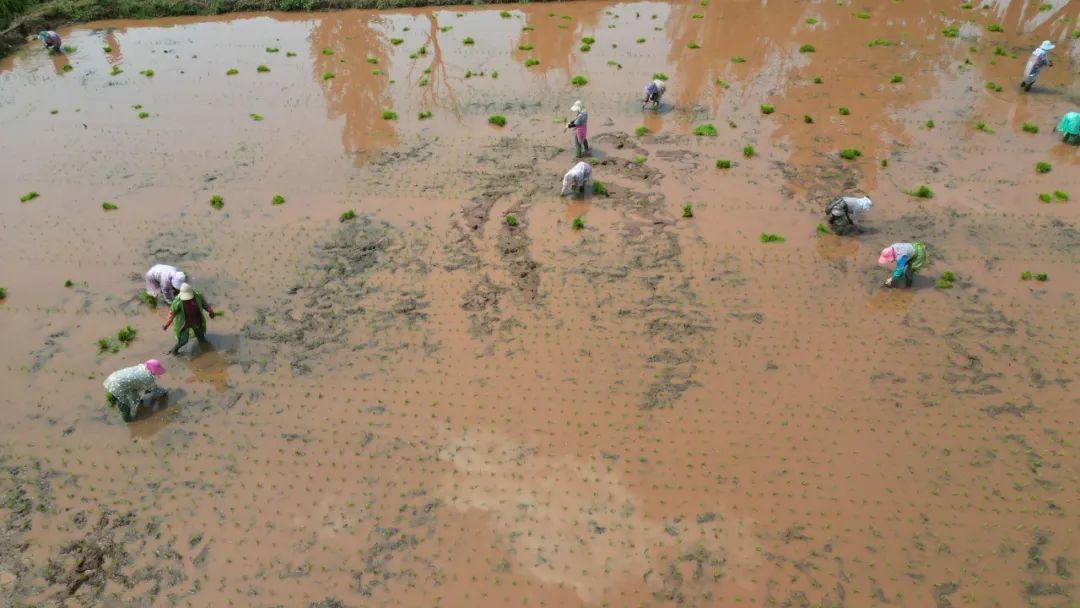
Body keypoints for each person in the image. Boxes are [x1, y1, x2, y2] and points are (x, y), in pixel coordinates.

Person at [163, 283, 216, 354]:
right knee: (183, 340)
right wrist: (167, 324)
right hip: (185, 324)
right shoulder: (177, 302)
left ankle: (204, 346)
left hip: (196, 321)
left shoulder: (198, 296)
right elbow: (172, 314)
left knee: (200, 335)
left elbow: (204, 304)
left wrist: (210, 311)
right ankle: (174, 350)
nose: (187, 300)